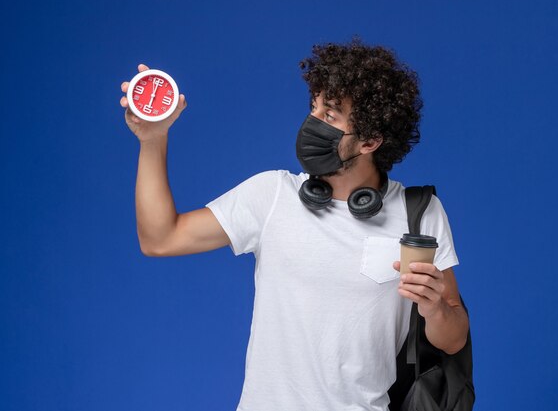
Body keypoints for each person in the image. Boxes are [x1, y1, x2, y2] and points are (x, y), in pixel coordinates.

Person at [119, 39, 469, 411]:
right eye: (313, 108)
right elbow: (160, 238)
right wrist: (153, 140)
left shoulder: (420, 213)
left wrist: (434, 309)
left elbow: (453, 339)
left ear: (370, 140)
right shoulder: (271, 195)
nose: (313, 122)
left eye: (330, 115)